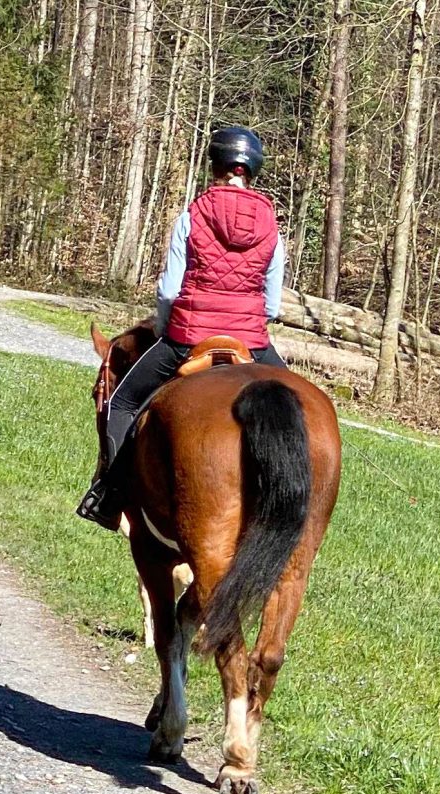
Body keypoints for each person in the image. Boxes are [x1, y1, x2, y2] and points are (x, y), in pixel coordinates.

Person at [77, 125, 287, 530]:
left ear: (216, 165)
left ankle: (108, 494)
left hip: (189, 335)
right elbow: (273, 304)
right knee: (291, 407)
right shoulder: (270, 224)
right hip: (252, 340)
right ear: (252, 171)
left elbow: (171, 289)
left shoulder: (194, 214)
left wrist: (163, 324)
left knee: (121, 401)